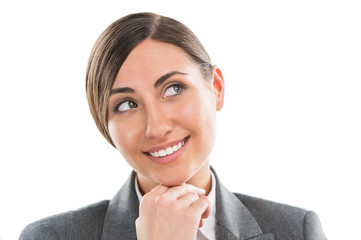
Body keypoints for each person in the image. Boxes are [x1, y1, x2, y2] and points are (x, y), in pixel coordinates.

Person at [19, 12, 327, 240]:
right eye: (127, 104)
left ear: (216, 88)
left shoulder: (297, 230)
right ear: (105, 125)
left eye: (173, 88)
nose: (157, 127)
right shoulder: (50, 236)